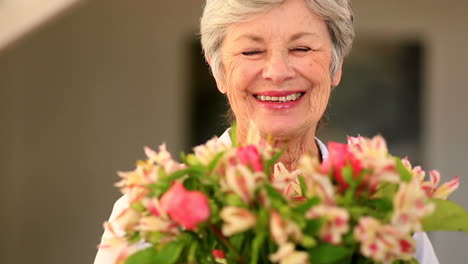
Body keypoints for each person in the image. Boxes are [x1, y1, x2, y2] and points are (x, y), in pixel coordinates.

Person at [95, 0, 439, 263]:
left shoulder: (384, 206)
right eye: (252, 51)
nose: (277, 71)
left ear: (335, 66)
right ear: (219, 72)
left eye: (301, 48)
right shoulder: (152, 211)